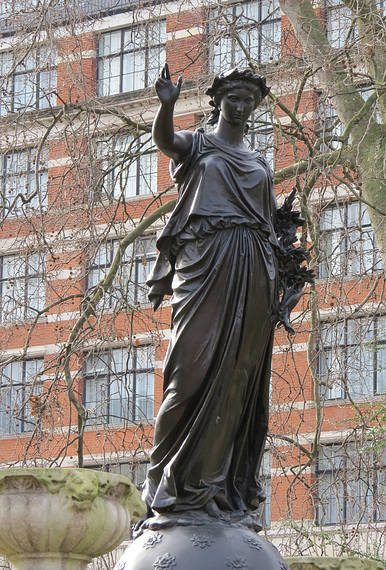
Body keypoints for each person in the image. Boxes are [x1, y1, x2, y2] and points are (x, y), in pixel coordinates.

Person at [140, 64, 279, 531]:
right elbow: (167, 144)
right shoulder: (200, 144)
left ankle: (218, 490)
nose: (240, 107)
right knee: (191, 372)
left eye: (248, 101)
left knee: (239, 379)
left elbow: (271, 227)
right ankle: (162, 484)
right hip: (204, 264)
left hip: (254, 265)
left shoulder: (261, 162)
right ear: (219, 102)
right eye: (233, 98)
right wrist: (166, 106)